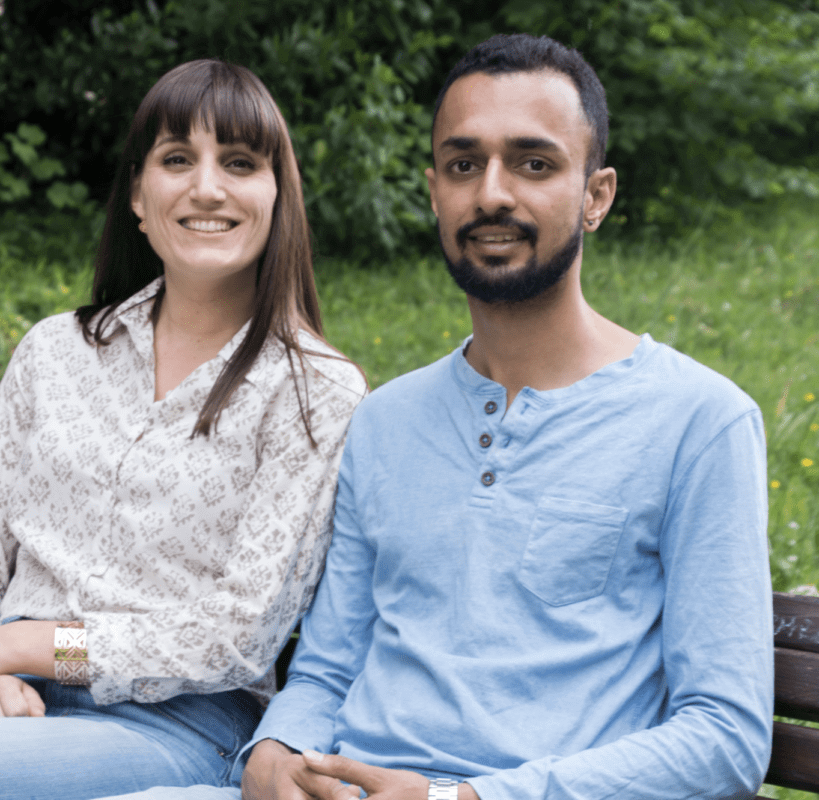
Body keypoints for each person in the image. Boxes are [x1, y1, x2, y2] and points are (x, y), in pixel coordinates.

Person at [93, 32, 774, 800]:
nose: (491, 193)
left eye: (533, 163)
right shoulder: (386, 420)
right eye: (462, 164)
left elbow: (724, 738)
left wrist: (464, 798)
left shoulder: (700, 422)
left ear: (596, 196)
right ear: (433, 191)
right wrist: (277, 747)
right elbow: (325, 667)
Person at [0, 59, 366, 800]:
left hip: (170, 728)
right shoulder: (55, 351)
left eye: (239, 163)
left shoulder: (311, 391)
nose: (207, 187)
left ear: (277, 197)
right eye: (177, 160)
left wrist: (16, 645)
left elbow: (233, 638)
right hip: (0, 699)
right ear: (139, 195)